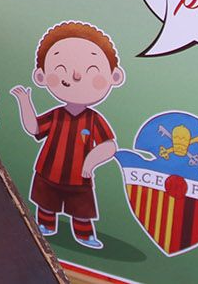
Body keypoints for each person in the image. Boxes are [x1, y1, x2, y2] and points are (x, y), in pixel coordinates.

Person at [9, 21, 125, 250]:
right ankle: (45, 225)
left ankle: (83, 235)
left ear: (115, 77)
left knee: (81, 209)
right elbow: (34, 128)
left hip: (79, 178)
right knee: (46, 203)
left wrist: (90, 162)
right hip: (48, 172)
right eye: (61, 69)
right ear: (41, 76)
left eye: (91, 70)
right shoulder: (56, 115)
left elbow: (109, 145)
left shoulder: (93, 119)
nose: (76, 75)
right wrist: (25, 102)